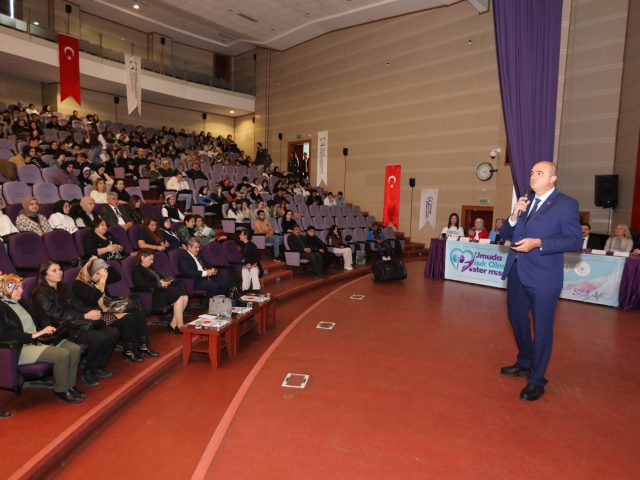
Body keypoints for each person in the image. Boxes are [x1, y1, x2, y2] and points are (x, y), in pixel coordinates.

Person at [499, 161, 581, 401]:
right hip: (517, 271)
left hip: (544, 277)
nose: (533, 176)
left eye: (540, 173)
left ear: (552, 179)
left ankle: (537, 379)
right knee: (516, 318)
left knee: (542, 329)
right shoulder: (526, 202)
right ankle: (525, 360)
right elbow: (504, 235)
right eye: (532, 172)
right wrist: (514, 216)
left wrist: (539, 243)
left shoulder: (566, 204)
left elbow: (574, 240)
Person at [31, 260, 119, 387]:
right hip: (61, 329)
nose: (59, 273)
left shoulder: (63, 286)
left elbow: (76, 305)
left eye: (60, 269)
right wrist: (85, 316)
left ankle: (97, 366)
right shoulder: (40, 294)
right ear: (44, 275)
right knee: (100, 337)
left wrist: (92, 311)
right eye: (54, 271)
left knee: (113, 332)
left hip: (75, 321)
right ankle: (88, 371)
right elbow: (57, 316)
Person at [0, 274, 85, 403]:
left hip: (37, 340)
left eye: (21, 287)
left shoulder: (21, 301)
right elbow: (5, 335)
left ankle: (70, 386)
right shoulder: (1, 308)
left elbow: (39, 315)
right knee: (61, 355)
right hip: (21, 347)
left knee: (74, 349)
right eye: (16, 288)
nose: (21, 291)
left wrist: (46, 327)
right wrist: (33, 335)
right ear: (5, 289)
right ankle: (62, 391)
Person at [73, 257, 159, 362]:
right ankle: (129, 351)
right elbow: (92, 298)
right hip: (97, 315)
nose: (99, 277)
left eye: (101, 273)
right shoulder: (78, 284)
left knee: (138, 313)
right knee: (128, 318)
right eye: (97, 274)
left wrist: (104, 264)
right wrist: (103, 280)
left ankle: (143, 345)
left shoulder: (99, 277)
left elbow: (117, 276)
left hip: (108, 308)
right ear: (89, 272)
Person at [131, 249, 188, 334]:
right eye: (150, 259)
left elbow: (160, 277)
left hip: (161, 292)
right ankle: (180, 325)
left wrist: (164, 281)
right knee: (179, 297)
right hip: (152, 296)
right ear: (142, 258)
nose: (152, 261)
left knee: (185, 296)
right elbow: (141, 284)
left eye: (152, 259)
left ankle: (173, 325)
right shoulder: (137, 270)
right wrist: (159, 284)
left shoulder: (150, 268)